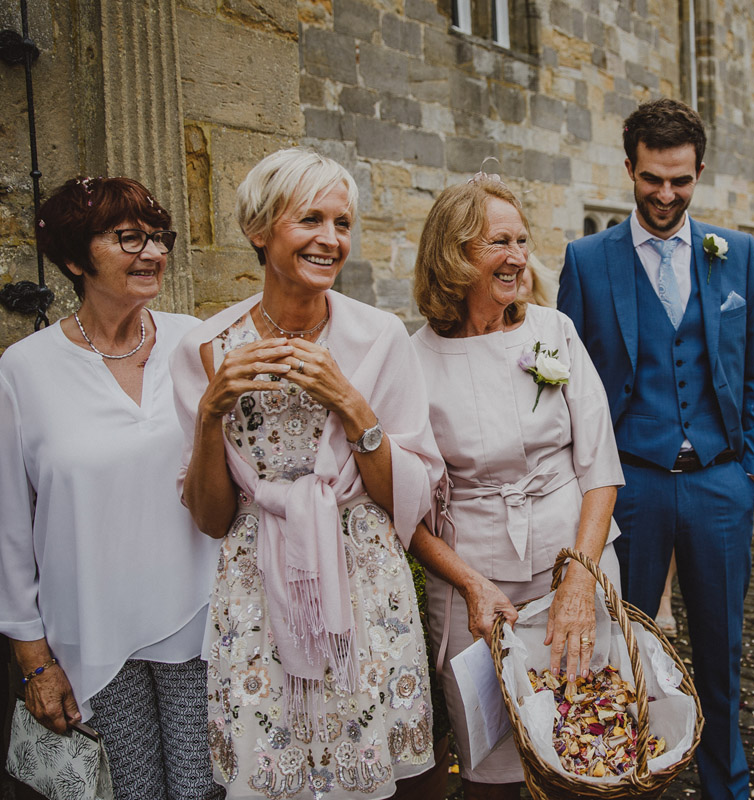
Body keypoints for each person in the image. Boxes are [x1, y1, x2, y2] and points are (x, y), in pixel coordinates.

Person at [171, 149, 444, 800]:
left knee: (361, 770)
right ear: (260, 229)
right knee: (271, 773)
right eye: (310, 220)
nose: (330, 240)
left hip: (363, 587)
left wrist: (350, 403)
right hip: (258, 590)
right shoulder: (206, 348)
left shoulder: (381, 339)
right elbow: (210, 518)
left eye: (342, 223)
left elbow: (411, 492)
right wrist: (212, 411)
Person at [559, 98, 754, 800]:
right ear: (629, 167)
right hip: (632, 487)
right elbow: (565, 383)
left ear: (698, 172)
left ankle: (727, 786)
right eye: (652, 177)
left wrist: (753, 472)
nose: (665, 194)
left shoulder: (735, 254)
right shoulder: (588, 262)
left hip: (719, 484)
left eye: (680, 180)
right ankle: (626, 777)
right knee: (621, 648)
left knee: (722, 654)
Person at [0, 177, 222, 800]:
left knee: (205, 789)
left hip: (199, 618)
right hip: (92, 633)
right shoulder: (25, 370)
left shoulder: (196, 342)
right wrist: (34, 661)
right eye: (129, 238)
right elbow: (11, 529)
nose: (151, 252)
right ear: (75, 258)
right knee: (127, 793)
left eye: (159, 237)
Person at [408, 175, 624, 799]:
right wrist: (471, 584)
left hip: (574, 561)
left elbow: (601, 467)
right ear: (453, 256)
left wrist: (581, 576)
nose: (518, 256)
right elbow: (404, 514)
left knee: (591, 740)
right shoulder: (412, 358)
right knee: (492, 765)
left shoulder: (554, 332)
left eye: (522, 240)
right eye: (497, 242)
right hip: (474, 585)